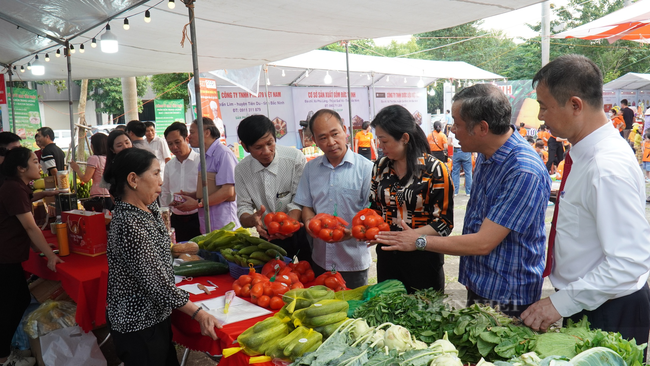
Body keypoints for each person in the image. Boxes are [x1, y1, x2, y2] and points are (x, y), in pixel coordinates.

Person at [375, 84, 551, 317]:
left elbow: (483, 243)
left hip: (508, 292)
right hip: (479, 282)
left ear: (482, 127)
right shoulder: (487, 157)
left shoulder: (522, 170)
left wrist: (418, 240)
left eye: (457, 123)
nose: (452, 131)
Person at [522, 56, 650, 346]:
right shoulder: (585, 155)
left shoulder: (606, 167)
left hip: (609, 307)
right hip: (590, 300)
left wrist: (559, 304)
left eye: (544, 106)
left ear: (575, 105)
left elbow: (629, 261)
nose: (541, 116)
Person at [104, 148, 221, 365]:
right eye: (156, 173)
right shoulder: (129, 224)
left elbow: (159, 255)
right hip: (137, 323)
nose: (161, 181)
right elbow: (157, 285)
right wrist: (199, 313)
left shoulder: (148, 209)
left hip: (156, 316)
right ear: (133, 179)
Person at [369, 105, 454, 293]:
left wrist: (410, 237)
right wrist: (367, 229)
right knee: (388, 311)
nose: (380, 147)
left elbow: (444, 223)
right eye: (378, 140)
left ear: (405, 138)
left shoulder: (435, 170)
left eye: (384, 141)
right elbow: (375, 207)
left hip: (423, 257)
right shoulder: (380, 167)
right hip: (387, 256)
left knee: (424, 315)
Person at [294, 109, 373, 289]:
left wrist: (352, 232)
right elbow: (306, 204)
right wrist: (308, 222)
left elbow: (373, 213)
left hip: (353, 262)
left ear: (345, 130)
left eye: (335, 134)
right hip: (320, 259)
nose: (331, 142)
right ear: (314, 140)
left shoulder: (366, 169)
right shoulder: (310, 169)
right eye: (322, 138)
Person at [0, 147, 63, 366]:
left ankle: (5, 352)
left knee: (20, 300)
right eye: (35, 161)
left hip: (9, 256)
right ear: (21, 168)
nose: (39, 165)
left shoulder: (17, 186)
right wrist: (50, 256)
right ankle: (4, 358)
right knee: (9, 305)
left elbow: (27, 199)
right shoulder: (13, 189)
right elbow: (30, 227)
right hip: (4, 258)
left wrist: (44, 194)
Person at [235, 115, 310, 261]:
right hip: (268, 235)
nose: (267, 151)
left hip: (300, 229)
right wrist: (252, 220)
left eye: (270, 143)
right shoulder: (242, 170)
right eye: (258, 147)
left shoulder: (294, 159)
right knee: (275, 278)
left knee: (308, 273)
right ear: (245, 147)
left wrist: (289, 225)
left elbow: (300, 198)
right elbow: (243, 207)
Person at [180, 117, 239, 233]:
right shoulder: (204, 157)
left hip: (225, 226)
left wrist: (198, 203)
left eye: (192, 132)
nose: (189, 137)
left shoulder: (223, 154)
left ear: (207, 132)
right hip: (209, 225)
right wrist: (191, 196)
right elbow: (211, 189)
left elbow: (228, 191)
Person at [160, 122, 202, 242]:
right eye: (170, 144)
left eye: (177, 142)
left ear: (187, 139)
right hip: (176, 218)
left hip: (197, 216)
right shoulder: (169, 166)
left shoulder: (200, 161)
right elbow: (165, 193)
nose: (174, 147)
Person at [70, 133, 113, 212]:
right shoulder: (109, 158)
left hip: (99, 194)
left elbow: (86, 178)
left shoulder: (94, 159)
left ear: (94, 146)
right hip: (110, 193)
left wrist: (77, 169)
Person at [449, 129, 472, 196]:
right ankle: (468, 191)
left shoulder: (452, 131)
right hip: (466, 150)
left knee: (455, 172)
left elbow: (448, 143)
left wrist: (453, 144)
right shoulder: (466, 129)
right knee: (468, 172)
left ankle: (455, 191)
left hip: (456, 151)